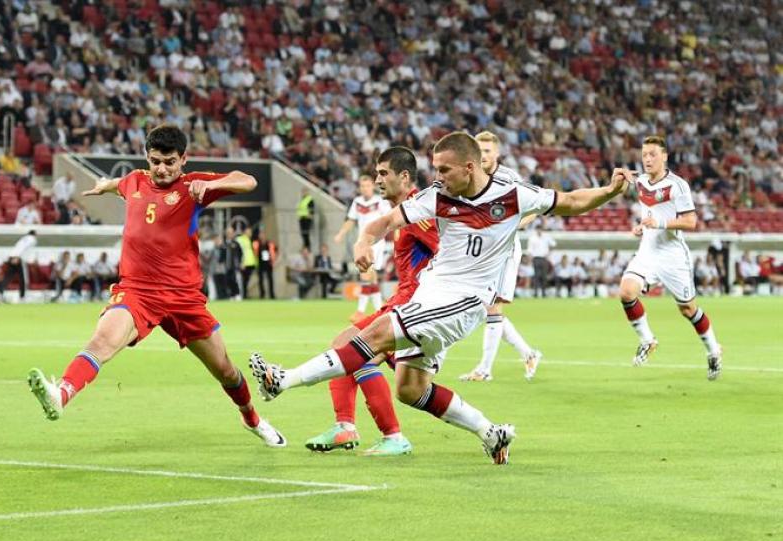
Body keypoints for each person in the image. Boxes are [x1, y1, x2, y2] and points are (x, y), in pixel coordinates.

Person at [250, 132, 630, 464]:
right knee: (410, 389)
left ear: (470, 167)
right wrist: (365, 241)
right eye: (434, 168)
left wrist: (610, 191)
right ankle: (490, 432)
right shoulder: (437, 197)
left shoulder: (514, 195)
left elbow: (573, 200)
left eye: (444, 170)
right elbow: (386, 221)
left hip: (464, 301)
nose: (437, 177)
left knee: (372, 336)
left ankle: (283, 380)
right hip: (432, 293)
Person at [27, 124, 285, 447]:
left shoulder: (193, 185)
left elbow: (249, 181)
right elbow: (119, 184)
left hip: (184, 298)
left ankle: (253, 419)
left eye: (170, 162)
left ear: (183, 160)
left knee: (226, 371)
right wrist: (104, 185)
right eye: (155, 161)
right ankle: (60, 394)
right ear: (147, 158)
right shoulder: (135, 180)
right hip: (137, 292)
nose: (162, 169)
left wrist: (215, 185)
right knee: (102, 340)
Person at [305, 146, 438, 456]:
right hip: (404, 300)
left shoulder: (417, 212)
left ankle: (385, 435)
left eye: (383, 173)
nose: (378, 180)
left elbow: (444, 252)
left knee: (352, 349)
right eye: (376, 174)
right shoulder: (402, 211)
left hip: (413, 304)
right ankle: (348, 427)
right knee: (369, 360)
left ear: (404, 177)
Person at [618, 135, 722, 380]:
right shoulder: (641, 182)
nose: (648, 159)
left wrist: (659, 222)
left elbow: (691, 221)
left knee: (688, 309)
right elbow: (647, 212)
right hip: (647, 250)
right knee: (626, 292)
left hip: (673, 255)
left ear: (664, 156)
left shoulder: (678, 185)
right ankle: (647, 340)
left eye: (653, 154)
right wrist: (642, 227)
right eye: (644, 155)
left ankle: (714, 350)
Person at [458, 131, 542, 383]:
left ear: (497, 153)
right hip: (479, 250)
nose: (482, 155)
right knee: (482, 307)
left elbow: (535, 207)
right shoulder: (468, 176)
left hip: (504, 250)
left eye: (486, 151)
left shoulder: (509, 179)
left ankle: (484, 369)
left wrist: (515, 225)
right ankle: (529, 353)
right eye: (478, 150)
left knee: (493, 306)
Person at [333, 174, 391, 322]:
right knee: (370, 276)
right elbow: (351, 220)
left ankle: (361, 311)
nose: (365, 189)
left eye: (367, 185)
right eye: (362, 186)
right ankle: (379, 310)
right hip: (362, 242)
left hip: (376, 242)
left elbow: (388, 220)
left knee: (366, 274)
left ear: (373, 186)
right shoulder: (357, 202)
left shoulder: (380, 201)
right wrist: (340, 234)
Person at [0, 230, 37, 302]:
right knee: (23, 278)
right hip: (18, 259)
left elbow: (18, 247)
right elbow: (24, 248)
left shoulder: (22, 239)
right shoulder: (32, 239)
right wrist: (17, 257)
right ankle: (22, 297)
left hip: (11, 257)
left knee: (8, 277)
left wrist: (12, 257)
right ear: (35, 234)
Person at [527, 226, 556, 298]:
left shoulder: (546, 237)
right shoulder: (532, 238)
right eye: (538, 229)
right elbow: (530, 250)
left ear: (542, 230)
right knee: (536, 276)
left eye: (540, 229)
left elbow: (553, 244)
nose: (539, 231)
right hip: (536, 258)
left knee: (544, 276)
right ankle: (536, 293)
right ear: (536, 230)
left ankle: (544, 293)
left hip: (544, 258)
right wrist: (530, 260)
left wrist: (549, 253)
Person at [253, 230, 277, 299]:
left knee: (270, 279)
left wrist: (273, 260)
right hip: (260, 263)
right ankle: (262, 294)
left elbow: (275, 251)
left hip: (268, 263)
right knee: (260, 280)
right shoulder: (256, 243)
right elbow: (254, 252)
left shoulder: (269, 243)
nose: (262, 236)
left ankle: (272, 294)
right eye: (261, 235)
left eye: (263, 234)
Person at [235, 227, 257, 298]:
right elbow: (239, 253)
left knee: (246, 281)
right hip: (244, 264)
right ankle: (243, 295)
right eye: (249, 232)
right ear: (245, 232)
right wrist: (241, 263)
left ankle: (244, 295)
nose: (250, 234)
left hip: (251, 263)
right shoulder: (240, 239)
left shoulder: (249, 240)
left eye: (251, 232)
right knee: (243, 281)